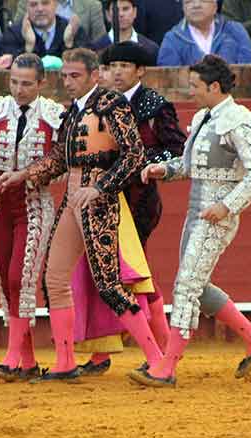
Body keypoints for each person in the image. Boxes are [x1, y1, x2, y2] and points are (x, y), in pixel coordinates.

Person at [0, 48, 164, 383]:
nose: (68, 82)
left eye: (75, 76)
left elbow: (134, 154)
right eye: (65, 76)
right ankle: (65, 361)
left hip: (97, 201)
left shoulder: (110, 104)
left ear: (94, 75)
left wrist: (102, 188)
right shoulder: (74, 112)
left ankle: (158, 360)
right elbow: (61, 157)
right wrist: (24, 174)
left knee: (109, 284)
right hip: (74, 195)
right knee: (54, 278)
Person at [133, 54, 251, 388]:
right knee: (196, 286)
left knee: (186, 286)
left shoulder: (237, 120)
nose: (190, 91)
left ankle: (166, 367)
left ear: (214, 86)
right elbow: (188, 166)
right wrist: (163, 170)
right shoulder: (203, 118)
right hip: (197, 213)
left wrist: (227, 206)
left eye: (195, 86)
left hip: (215, 217)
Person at [75, 41, 186, 376]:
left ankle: (162, 351)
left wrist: (142, 165)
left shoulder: (154, 105)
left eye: (125, 65)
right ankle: (103, 354)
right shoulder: (100, 103)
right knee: (110, 272)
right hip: (104, 200)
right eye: (113, 66)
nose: (117, 72)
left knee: (132, 274)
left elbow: (176, 149)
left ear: (140, 71)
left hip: (138, 201)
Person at [0, 53, 64, 382]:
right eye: (15, 82)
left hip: (34, 203)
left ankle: (11, 355)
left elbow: (62, 162)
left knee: (21, 277)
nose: (19, 90)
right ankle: (29, 361)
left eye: (26, 84)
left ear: (41, 83)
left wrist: (26, 175)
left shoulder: (54, 116)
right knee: (7, 281)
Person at [157, 0, 251, 66]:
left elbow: (250, 70)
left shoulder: (235, 30)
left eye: (203, 0)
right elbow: (169, 80)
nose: (196, 5)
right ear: (183, 8)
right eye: (189, 2)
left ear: (215, 6)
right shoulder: (172, 38)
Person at [0, 0, 89, 60]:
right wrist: (28, 48)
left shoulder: (74, 31)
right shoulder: (13, 34)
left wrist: (69, 45)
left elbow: (87, 68)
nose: (40, 9)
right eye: (34, 4)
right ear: (26, 7)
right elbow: (7, 71)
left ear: (56, 5)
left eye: (45, 3)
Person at [90, 0, 159, 63]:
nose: (121, 14)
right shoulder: (95, 49)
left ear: (135, 12)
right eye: (116, 10)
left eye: (125, 9)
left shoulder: (150, 49)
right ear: (107, 15)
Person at [14, 0, 107, 42]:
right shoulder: (27, 3)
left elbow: (101, 46)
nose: (39, 8)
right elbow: (15, 35)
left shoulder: (92, 6)